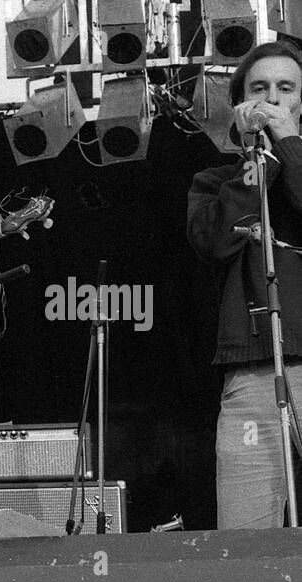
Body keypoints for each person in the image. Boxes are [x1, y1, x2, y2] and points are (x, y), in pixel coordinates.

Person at [187, 40, 302, 529]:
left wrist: (291, 144)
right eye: (260, 88)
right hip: (253, 370)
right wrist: (259, 165)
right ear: (240, 105)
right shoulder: (214, 181)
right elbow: (214, 242)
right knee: (246, 535)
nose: (273, 98)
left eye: (286, 87)